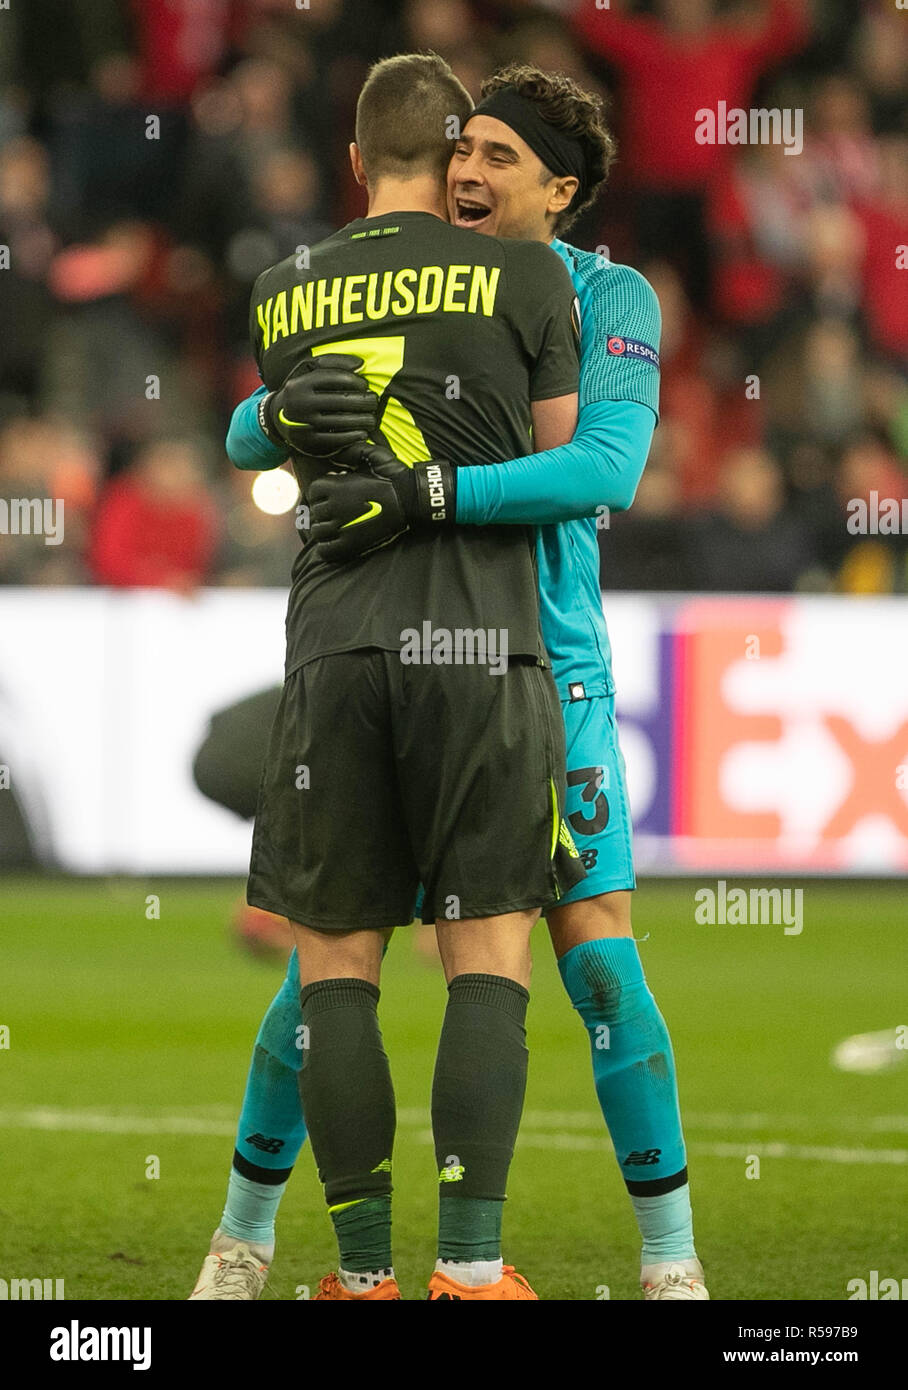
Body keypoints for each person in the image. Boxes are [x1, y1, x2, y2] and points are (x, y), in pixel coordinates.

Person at [208, 61, 708, 1302]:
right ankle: (242, 1238)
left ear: (563, 189)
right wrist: (272, 415)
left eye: (496, 157)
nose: (468, 172)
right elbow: (246, 425)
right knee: (322, 975)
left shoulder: (605, 295)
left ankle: (669, 1258)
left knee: (595, 958)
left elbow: (602, 467)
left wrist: (426, 491)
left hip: (552, 665)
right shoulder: (421, 276)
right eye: (461, 150)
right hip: (426, 662)